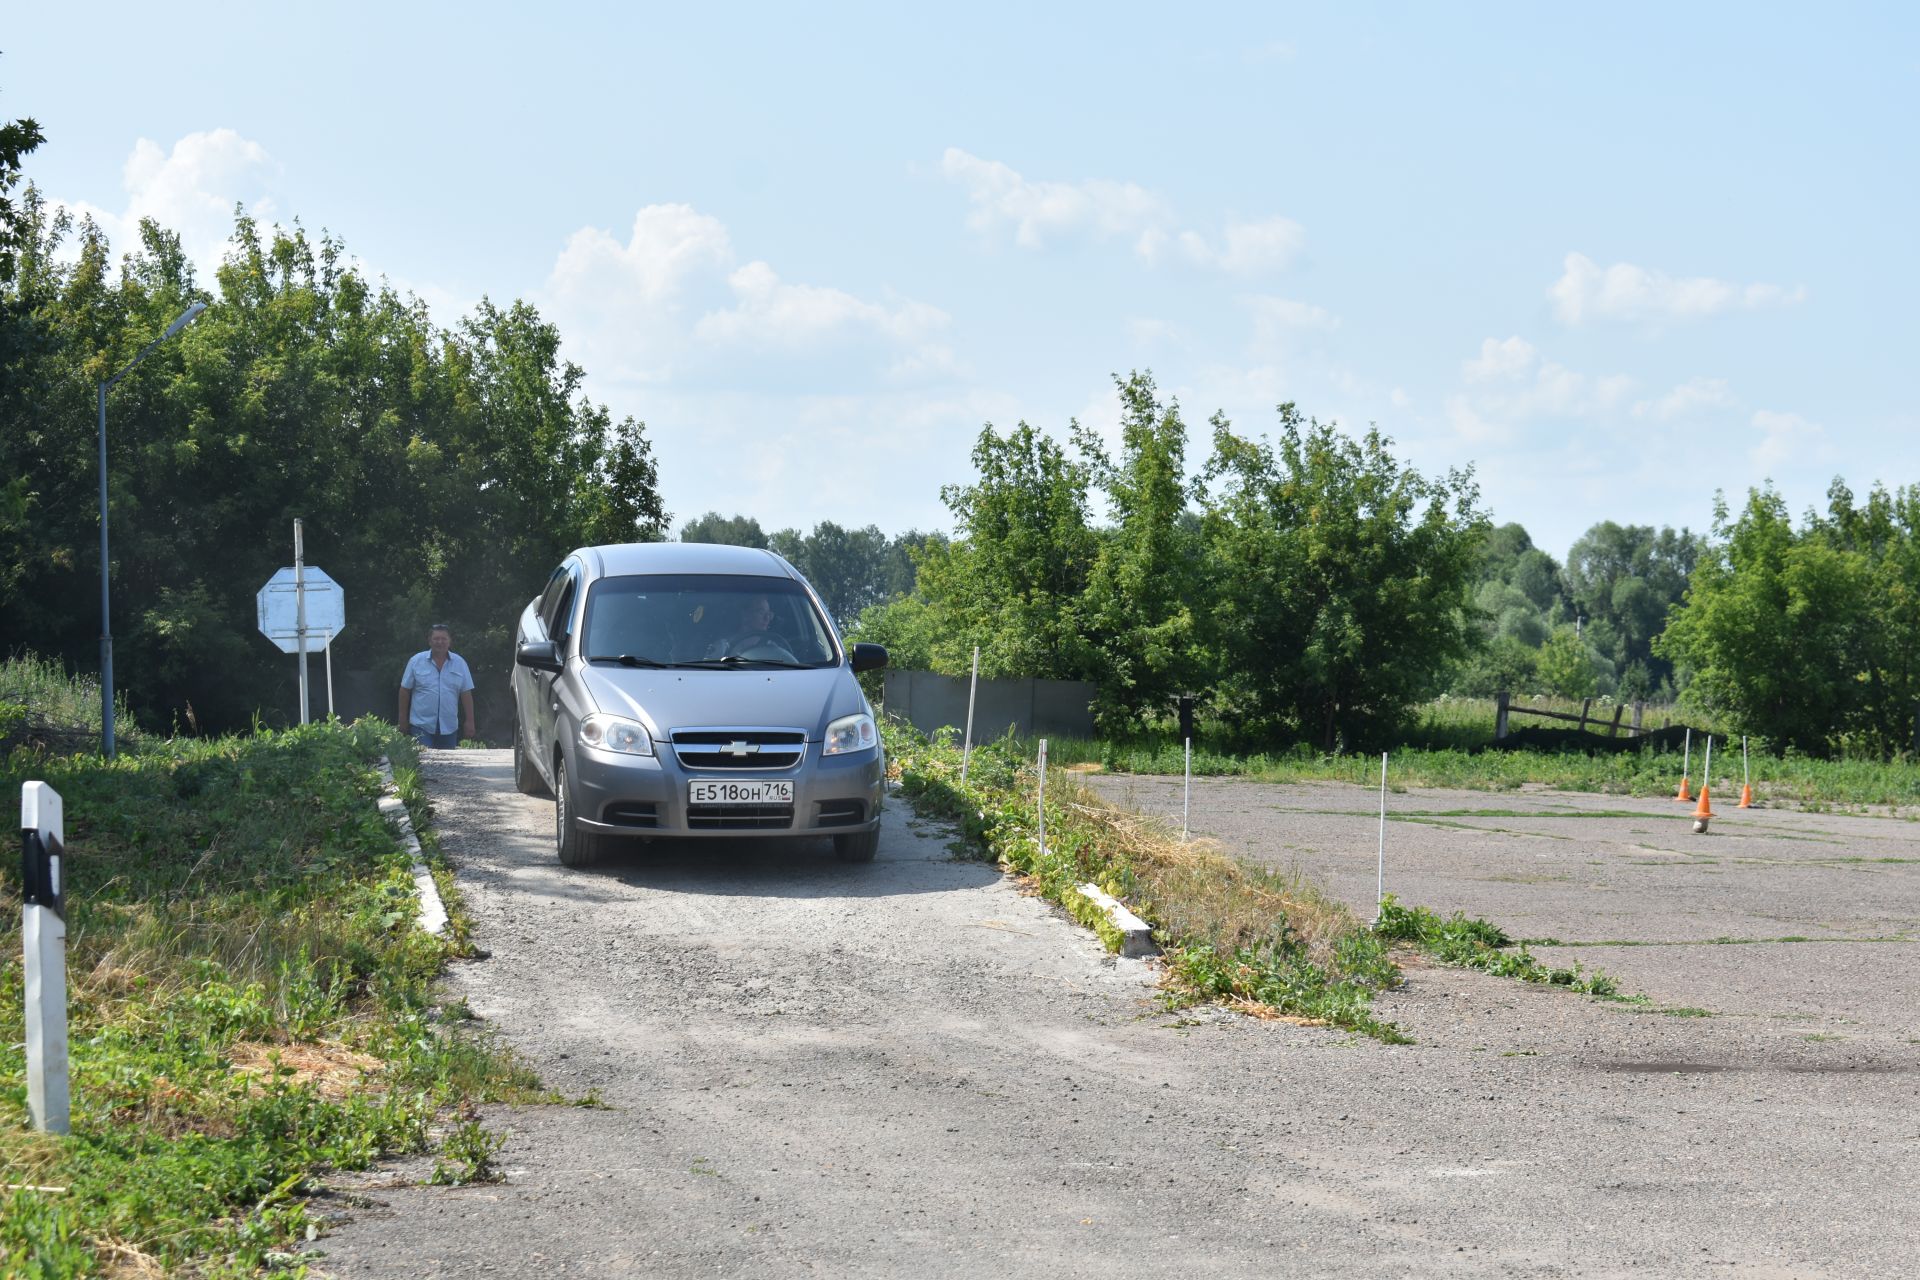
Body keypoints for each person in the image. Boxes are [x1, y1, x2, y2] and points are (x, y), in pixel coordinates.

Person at [398, 623, 475, 747]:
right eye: (436, 639)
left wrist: (470, 721)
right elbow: (405, 690)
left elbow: (466, 693)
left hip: (449, 727)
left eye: (444, 639)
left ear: (450, 641)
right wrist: (402, 719)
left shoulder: (460, 663)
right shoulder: (416, 661)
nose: (440, 642)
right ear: (430, 641)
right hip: (421, 725)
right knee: (425, 762)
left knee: (448, 764)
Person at [708, 593, 778, 658]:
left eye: (769, 614)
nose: (767, 618)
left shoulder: (772, 648)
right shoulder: (722, 647)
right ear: (745, 615)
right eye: (761, 612)